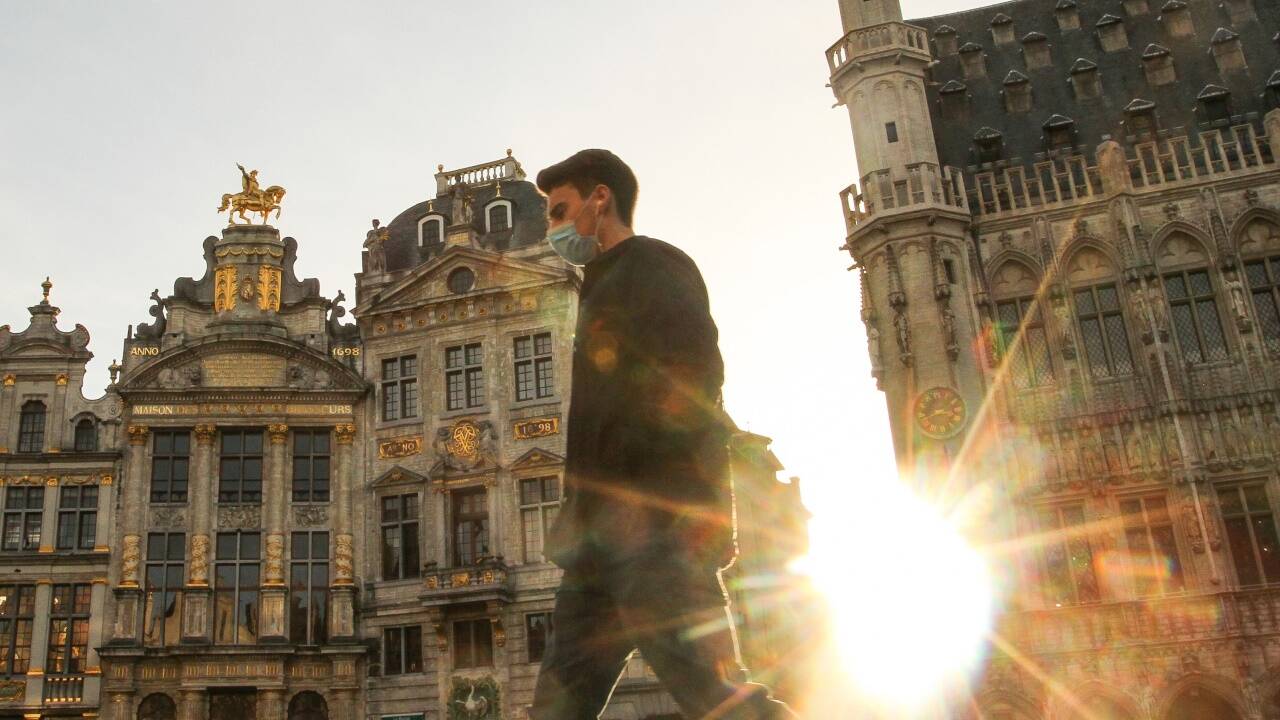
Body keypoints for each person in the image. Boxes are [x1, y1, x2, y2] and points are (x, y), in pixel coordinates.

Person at [530, 149, 797, 720]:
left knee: (719, 697)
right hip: (594, 549)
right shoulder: (595, 284)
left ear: (600, 199)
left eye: (559, 212)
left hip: (653, 533)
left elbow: (696, 377)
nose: (552, 229)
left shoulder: (655, 264)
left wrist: (650, 497)